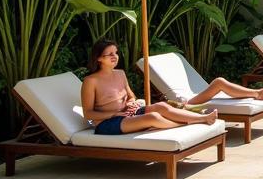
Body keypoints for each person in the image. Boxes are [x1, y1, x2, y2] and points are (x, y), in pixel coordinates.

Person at [81, 38, 220, 135]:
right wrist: (115, 114)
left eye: (116, 53)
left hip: (129, 114)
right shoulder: (91, 81)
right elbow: (88, 113)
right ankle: (189, 124)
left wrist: (131, 103)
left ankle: (203, 118)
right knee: (152, 117)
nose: (115, 56)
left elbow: (131, 96)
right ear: (98, 58)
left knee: (162, 106)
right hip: (107, 123)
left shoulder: (120, 74)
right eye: (109, 54)